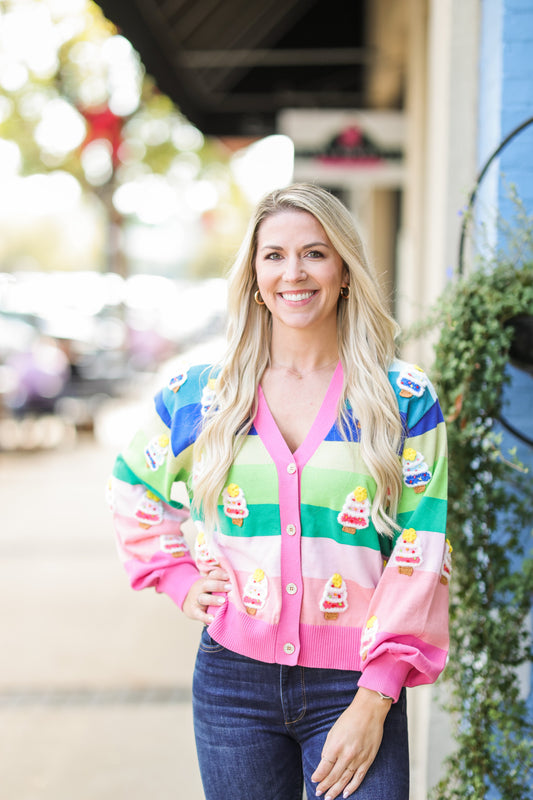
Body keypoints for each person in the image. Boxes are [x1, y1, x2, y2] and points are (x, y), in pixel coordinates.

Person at [109, 183, 449, 800]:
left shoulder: (402, 400)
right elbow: (134, 487)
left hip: (355, 683)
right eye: (274, 255)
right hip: (233, 683)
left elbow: (420, 548)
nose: (294, 272)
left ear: (345, 270)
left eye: (315, 253)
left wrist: (376, 697)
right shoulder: (201, 393)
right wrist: (179, 580)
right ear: (254, 273)